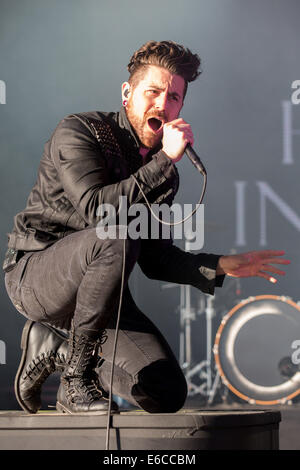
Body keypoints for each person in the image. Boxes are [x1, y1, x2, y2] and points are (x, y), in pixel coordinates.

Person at [3, 40, 290, 415]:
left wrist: (221, 264)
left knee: (165, 391)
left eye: (173, 97)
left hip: (96, 300)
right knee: (115, 235)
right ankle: (74, 382)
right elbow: (97, 211)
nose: (162, 104)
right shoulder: (80, 132)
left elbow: (154, 259)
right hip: (36, 277)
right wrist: (164, 163)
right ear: (127, 93)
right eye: (152, 92)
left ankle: (60, 348)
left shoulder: (163, 172)